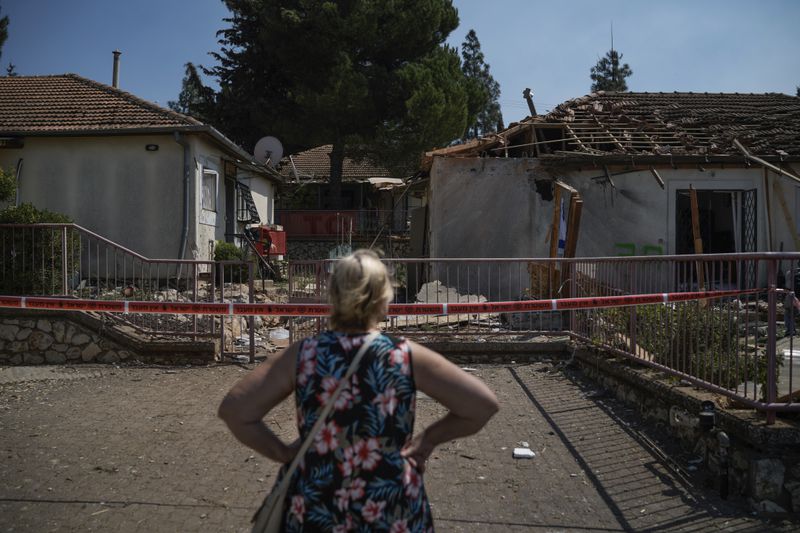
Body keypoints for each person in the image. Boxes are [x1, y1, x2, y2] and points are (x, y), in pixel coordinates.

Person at [219, 249, 499, 532]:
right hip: (390, 507)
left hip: (317, 503)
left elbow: (235, 410)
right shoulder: (404, 355)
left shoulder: (304, 355)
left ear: (334, 294)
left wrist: (281, 452)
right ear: (383, 297)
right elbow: (482, 405)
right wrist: (427, 440)